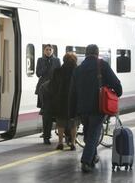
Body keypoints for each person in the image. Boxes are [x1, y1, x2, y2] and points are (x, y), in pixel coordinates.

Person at [69, 44, 122, 173]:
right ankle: (86, 161)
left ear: (86, 54)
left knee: (88, 134)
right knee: (93, 134)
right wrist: (117, 93)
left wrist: (72, 112)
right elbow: (116, 83)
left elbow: (72, 92)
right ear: (97, 53)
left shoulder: (78, 69)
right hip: (97, 107)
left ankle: (93, 157)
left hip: (82, 108)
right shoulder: (102, 65)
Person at [50, 53, 78, 151]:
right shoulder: (77, 71)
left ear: (64, 60)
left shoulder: (57, 71)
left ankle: (60, 142)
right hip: (73, 101)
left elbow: (52, 86)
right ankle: (73, 143)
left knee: (61, 123)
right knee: (73, 123)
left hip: (60, 100)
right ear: (75, 60)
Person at [35, 44, 61, 145]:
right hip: (43, 89)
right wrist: (46, 66)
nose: (48, 51)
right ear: (43, 51)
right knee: (45, 111)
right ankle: (46, 134)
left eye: (50, 50)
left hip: (54, 89)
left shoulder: (57, 60)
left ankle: (48, 133)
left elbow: (59, 73)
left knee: (50, 112)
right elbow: (38, 73)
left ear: (53, 50)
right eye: (46, 50)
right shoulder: (40, 60)